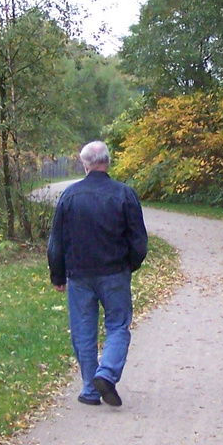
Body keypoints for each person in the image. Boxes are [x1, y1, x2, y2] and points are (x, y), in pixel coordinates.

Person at [47, 140, 148, 407]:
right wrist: (129, 265)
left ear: (86, 164)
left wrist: (58, 275)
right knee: (117, 326)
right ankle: (106, 373)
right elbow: (139, 241)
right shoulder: (125, 194)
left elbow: (56, 241)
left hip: (79, 275)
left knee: (83, 332)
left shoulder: (69, 196)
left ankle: (91, 389)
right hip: (114, 272)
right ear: (108, 161)